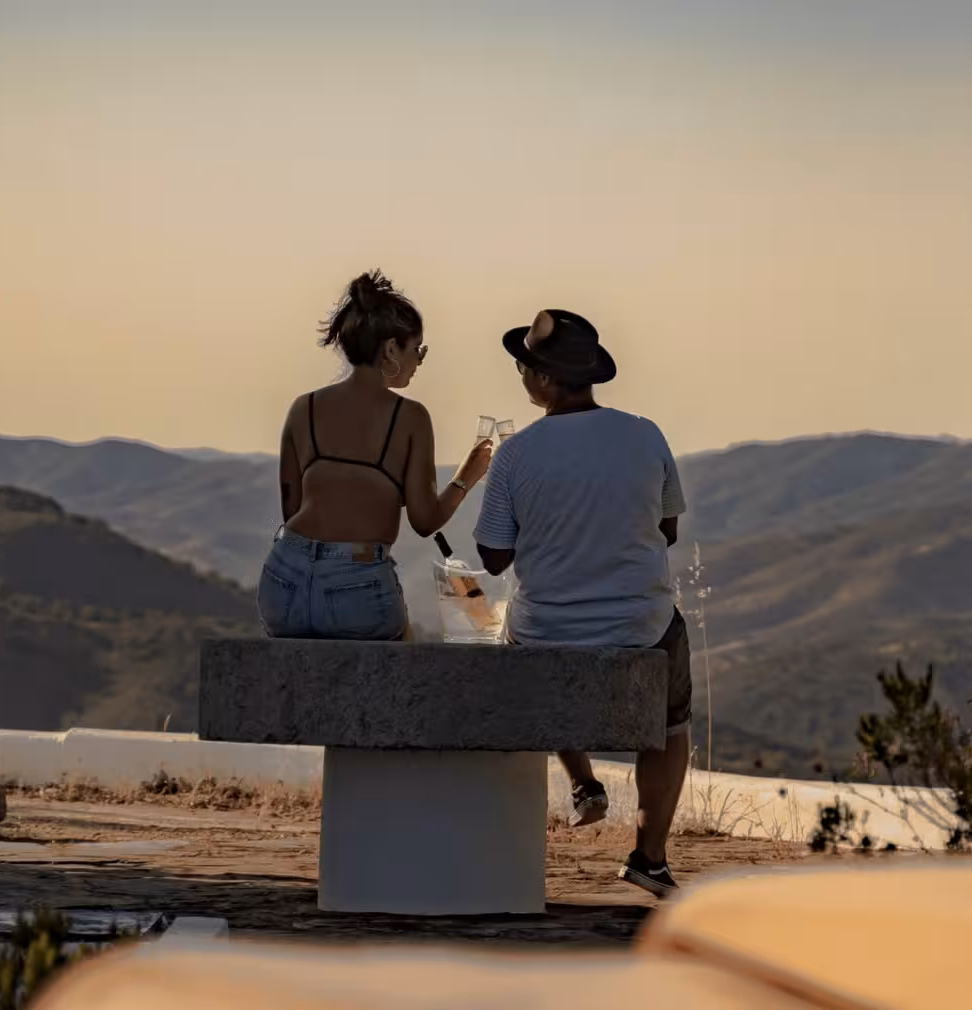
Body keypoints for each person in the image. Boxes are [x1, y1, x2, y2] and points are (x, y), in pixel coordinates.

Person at [472, 308, 691, 898]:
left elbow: (493, 557)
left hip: (548, 632)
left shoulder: (517, 455)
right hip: (641, 629)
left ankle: (584, 782)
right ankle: (649, 856)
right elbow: (668, 528)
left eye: (523, 366)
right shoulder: (645, 434)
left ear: (542, 380)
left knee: (526, 638)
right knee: (673, 726)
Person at [259, 270, 495, 640]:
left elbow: (293, 507)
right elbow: (424, 520)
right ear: (389, 350)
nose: (418, 361)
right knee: (400, 676)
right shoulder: (409, 417)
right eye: (417, 349)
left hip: (283, 575)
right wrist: (468, 475)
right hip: (356, 580)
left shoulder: (302, 408)